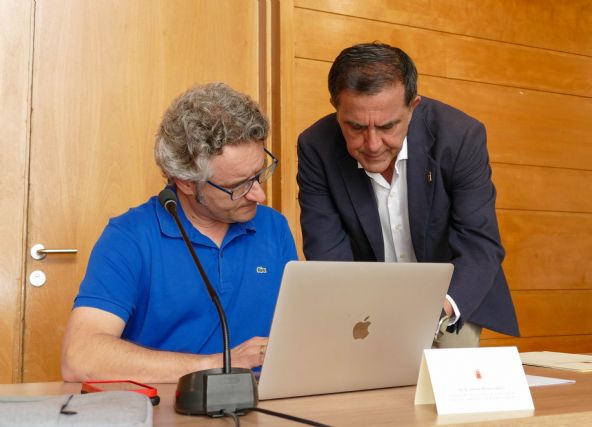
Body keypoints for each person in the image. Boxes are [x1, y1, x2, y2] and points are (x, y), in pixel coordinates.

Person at [61, 82, 297, 382]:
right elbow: (79, 357)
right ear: (185, 182)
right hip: (172, 404)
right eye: (238, 186)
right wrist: (219, 364)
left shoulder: (274, 228)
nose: (259, 195)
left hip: (265, 403)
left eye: (260, 173)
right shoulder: (129, 237)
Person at [296, 42, 518, 347]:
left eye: (387, 126)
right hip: (365, 298)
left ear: (412, 107)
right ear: (336, 108)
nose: (372, 145)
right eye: (356, 127)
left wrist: (436, 311)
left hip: (451, 294)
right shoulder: (316, 146)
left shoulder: (460, 137)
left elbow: (479, 242)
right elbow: (326, 250)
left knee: (448, 366)